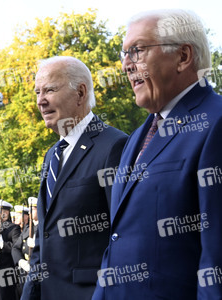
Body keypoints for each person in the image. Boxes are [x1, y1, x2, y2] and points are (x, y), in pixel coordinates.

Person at [93, 10, 222, 300]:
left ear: (183, 56)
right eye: (124, 53)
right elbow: (118, 240)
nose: (126, 65)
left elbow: (216, 258)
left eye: (136, 51)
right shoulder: (137, 137)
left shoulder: (216, 123)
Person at [21, 56, 128, 300]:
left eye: (49, 90)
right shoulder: (51, 156)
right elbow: (43, 239)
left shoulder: (114, 146)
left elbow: (122, 237)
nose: (40, 101)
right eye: (37, 92)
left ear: (80, 93)